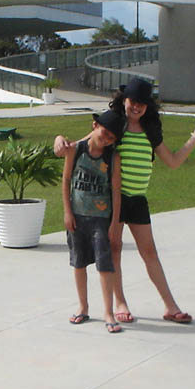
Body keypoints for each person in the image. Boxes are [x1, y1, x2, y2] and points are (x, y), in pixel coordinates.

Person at [55, 77, 195, 325]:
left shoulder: (150, 131)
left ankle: (171, 306)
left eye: (142, 103)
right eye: (133, 101)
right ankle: (120, 303)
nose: (136, 107)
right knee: (114, 249)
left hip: (137, 200)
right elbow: (82, 144)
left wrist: (194, 139)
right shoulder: (115, 126)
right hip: (112, 200)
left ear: (148, 106)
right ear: (124, 100)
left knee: (149, 252)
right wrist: (59, 139)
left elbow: (172, 161)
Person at [62, 109, 125, 334]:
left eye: (111, 138)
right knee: (78, 262)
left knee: (104, 265)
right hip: (77, 216)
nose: (106, 139)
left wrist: (114, 223)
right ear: (94, 126)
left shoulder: (113, 157)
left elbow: (116, 191)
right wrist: (67, 212)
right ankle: (83, 306)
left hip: (101, 218)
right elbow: (67, 180)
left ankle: (108, 311)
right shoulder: (76, 151)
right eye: (104, 133)